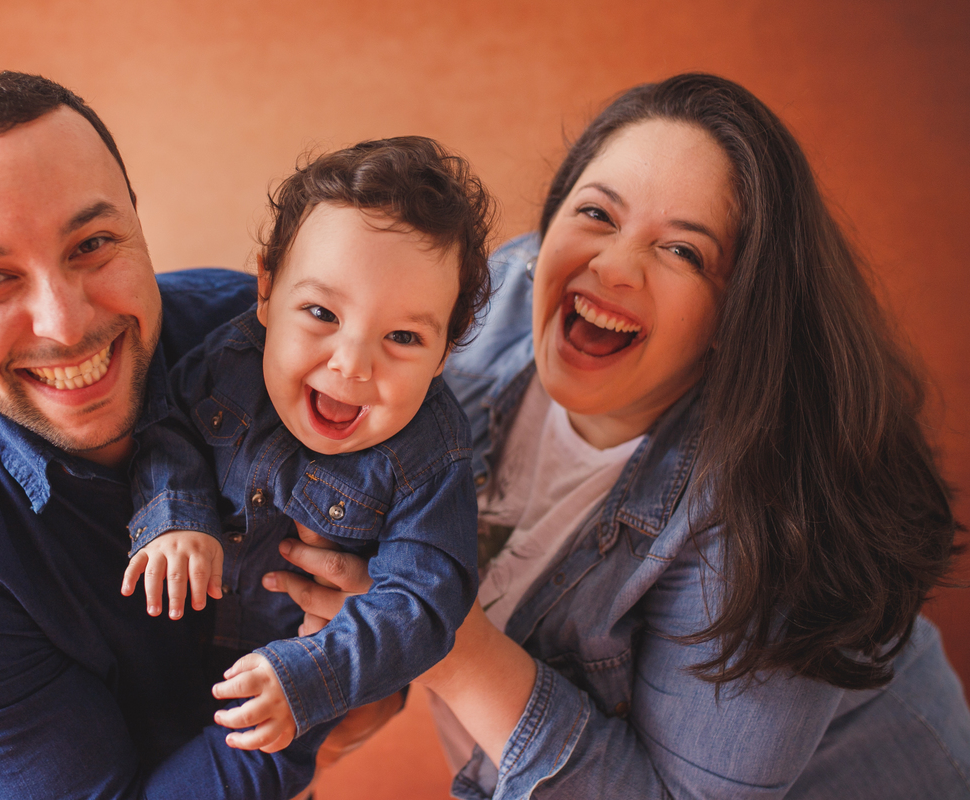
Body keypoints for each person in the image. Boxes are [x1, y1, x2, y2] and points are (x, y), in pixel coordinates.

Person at [265, 73, 970, 798]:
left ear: (740, 316)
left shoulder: (775, 522)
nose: (613, 266)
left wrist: (436, 638)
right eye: (597, 213)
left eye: (684, 252)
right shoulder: (492, 304)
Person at [0, 70, 377, 800]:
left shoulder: (255, 339)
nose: (65, 326)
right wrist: (333, 670)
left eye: (92, 243)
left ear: (136, 219)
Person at [119, 138, 490, 753]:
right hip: (174, 647)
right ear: (265, 290)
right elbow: (167, 426)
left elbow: (426, 600)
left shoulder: (432, 454)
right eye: (321, 311)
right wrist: (175, 515)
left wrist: (317, 674)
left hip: (305, 684)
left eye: (402, 336)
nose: (352, 363)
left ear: (446, 351)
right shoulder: (231, 357)